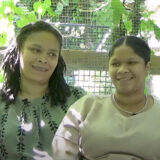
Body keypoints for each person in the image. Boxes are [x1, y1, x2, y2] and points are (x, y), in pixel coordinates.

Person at [52, 36, 160, 160]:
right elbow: (62, 151)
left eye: (131, 62)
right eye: (115, 64)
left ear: (147, 67)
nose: (122, 70)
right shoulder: (87, 106)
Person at [0, 21, 86, 160]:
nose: (44, 59)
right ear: (19, 50)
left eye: (52, 54)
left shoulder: (78, 100)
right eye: (36, 50)